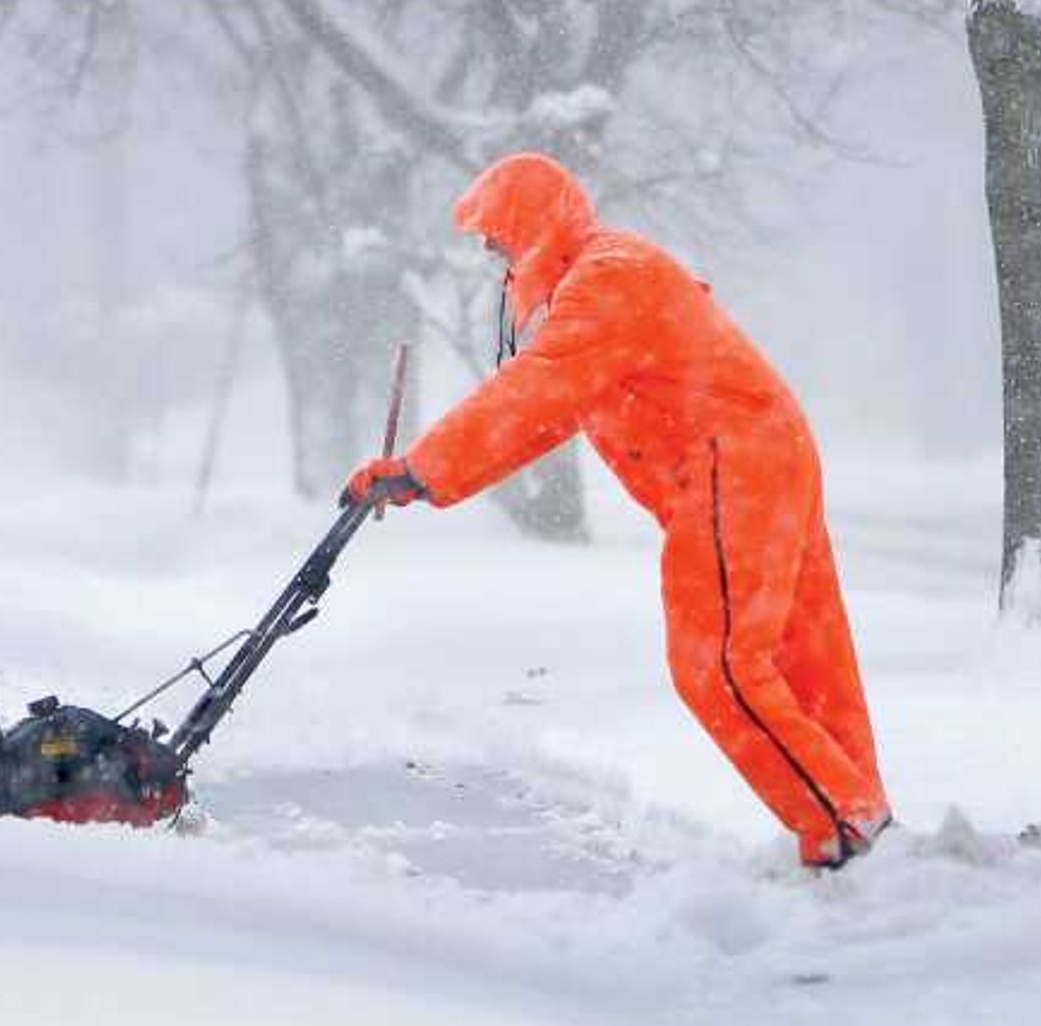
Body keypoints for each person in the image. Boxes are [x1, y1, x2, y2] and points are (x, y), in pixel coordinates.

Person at [346, 152, 894, 870]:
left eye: (497, 238)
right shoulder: (601, 283)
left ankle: (844, 827)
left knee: (719, 667)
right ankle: (866, 827)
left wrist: (423, 467)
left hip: (738, 465)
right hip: (765, 456)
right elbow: (544, 417)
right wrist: (426, 476)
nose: (492, 256)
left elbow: (536, 392)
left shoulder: (607, 280)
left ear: (532, 225)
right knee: (800, 656)